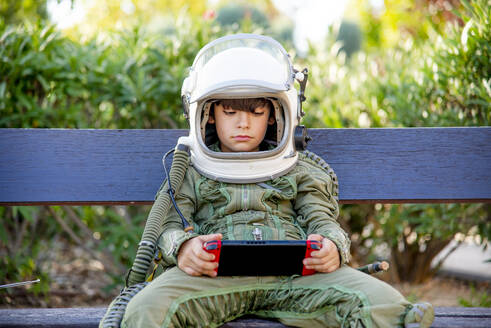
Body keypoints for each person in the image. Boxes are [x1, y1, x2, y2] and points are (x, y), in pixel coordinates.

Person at [103, 34, 434, 328]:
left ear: (277, 113)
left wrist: (333, 246)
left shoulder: (300, 168)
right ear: (207, 115)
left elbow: (322, 220)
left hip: (296, 278)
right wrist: (183, 248)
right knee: (146, 310)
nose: (243, 123)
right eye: (229, 112)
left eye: (256, 111)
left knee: (384, 305)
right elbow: (168, 225)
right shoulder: (189, 169)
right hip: (211, 279)